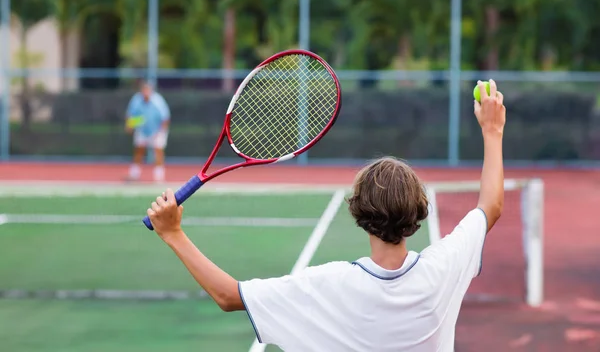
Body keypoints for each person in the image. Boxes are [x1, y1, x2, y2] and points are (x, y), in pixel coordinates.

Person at [145, 80, 506, 351]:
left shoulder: (328, 284)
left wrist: (173, 233)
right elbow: (490, 205)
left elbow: (228, 296)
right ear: (419, 211)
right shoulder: (443, 269)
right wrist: (492, 130)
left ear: (358, 211)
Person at [125, 79, 170, 183]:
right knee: (139, 150)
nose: (146, 92)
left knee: (158, 150)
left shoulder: (158, 101)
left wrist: (160, 132)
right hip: (142, 130)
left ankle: (159, 177)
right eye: (144, 90)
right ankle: (134, 174)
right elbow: (131, 115)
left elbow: (165, 118)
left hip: (158, 130)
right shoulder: (136, 100)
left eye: (148, 90)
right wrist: (130, 125)